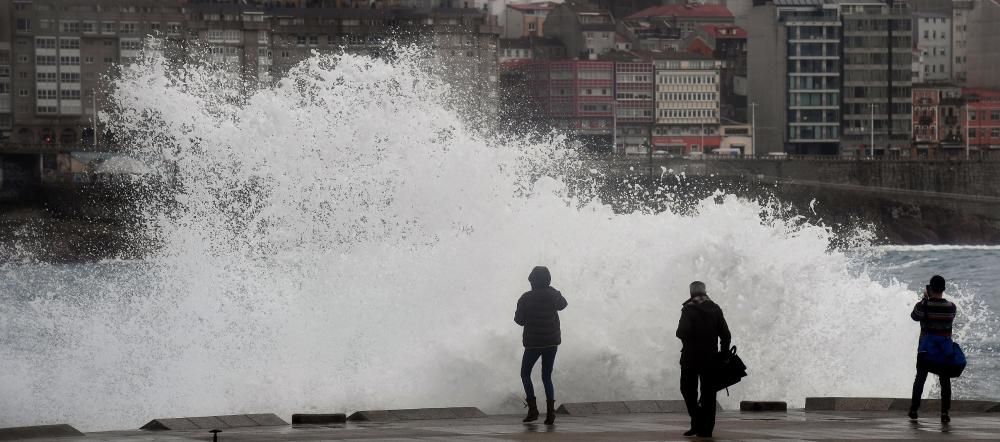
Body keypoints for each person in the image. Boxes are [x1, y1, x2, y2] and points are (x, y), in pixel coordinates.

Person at [676, 281, 731, 438]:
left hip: (690, 358)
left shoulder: (688, 309)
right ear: (705, 291)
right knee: (708, 394)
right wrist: (724, 354)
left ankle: (697, 420)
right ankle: (706, 429)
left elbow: (681, 332)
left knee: (687, 390)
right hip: (711, 359)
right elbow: (726, 335)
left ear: (691, 293)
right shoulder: (715, 308)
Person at [514, 266, 568, 425]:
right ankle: (550, 414)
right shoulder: (553, 295)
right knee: (546, 376)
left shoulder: (525, 298)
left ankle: (533, 410)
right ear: (548, 280)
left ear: (531, 280)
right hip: (551, 342)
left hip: (533, 343)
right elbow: (563, 304)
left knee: (525, 374)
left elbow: (519, 320)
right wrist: (553, 290)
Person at [909, 275, 957, 423]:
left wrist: (924, 299)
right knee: (945, 381)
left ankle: (914, 410)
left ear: (930, 288)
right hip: (944, 352)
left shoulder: (924, 305)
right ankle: (944, 413)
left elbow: (914, 316)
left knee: (920, 379)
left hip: (925, 350)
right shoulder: (951, 307)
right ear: (943, 289)